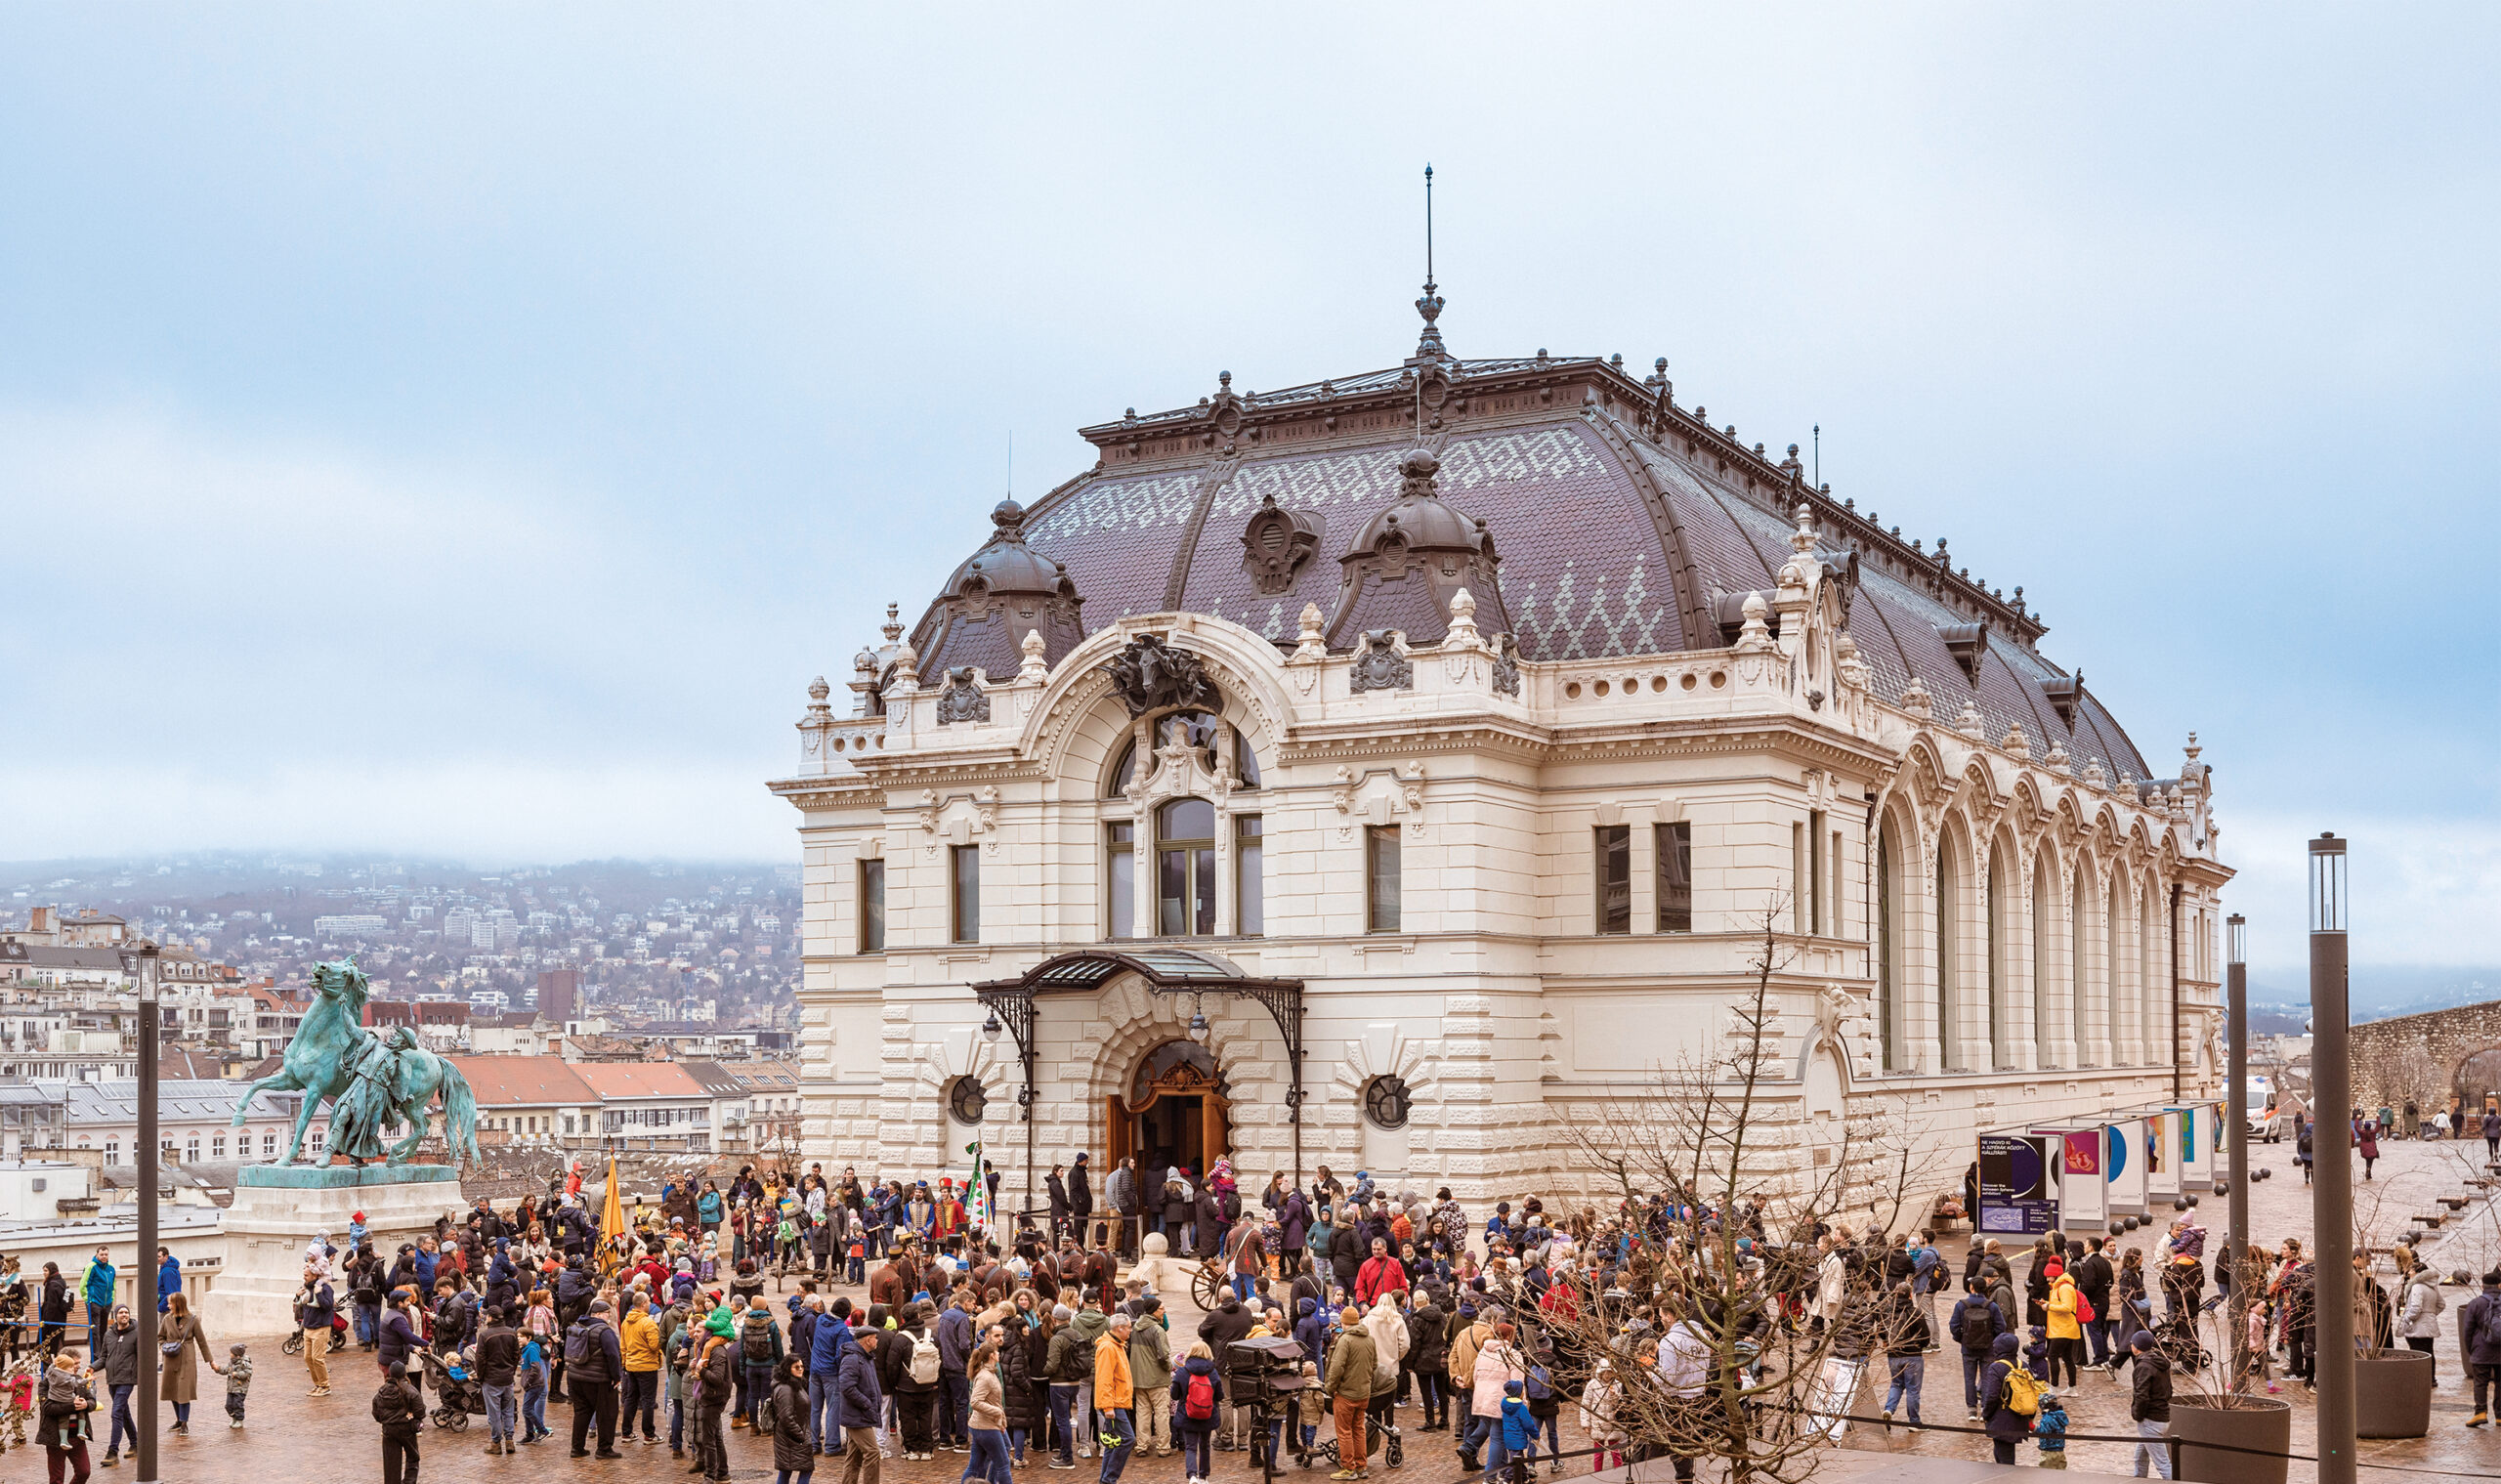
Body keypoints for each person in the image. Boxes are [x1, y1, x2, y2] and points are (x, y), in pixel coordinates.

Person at [566, 1297, 623, 1460]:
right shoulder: (604, 1331)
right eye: (607, 1314)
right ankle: (604, 1449)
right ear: (598, 1314)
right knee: (606, 1414)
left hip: (575, 1376)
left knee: (581, 1413)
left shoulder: (577, 1325)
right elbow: (613, 1355)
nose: (609, 1317)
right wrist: (616, 1377)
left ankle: (577, 1448)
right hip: (599, 1379)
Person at [158, 1293, 214, 1433]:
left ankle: (184, 1423)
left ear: (178, 1304)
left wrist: (210, 1361)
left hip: (187, 1358)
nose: (168, 1305)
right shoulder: (167, 1318)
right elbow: (160, 1336)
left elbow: (202, 1341)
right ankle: (178, 1419)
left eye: (170, 1303)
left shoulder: (192, 1320)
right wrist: (164, 1346)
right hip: (171, 1358)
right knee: (171, 1389)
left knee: (183, 1391)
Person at [1171, 1339, 1222, 1484]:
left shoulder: (1183, 1371)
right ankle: (1203, 1477)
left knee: (1190, 1447)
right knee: (1205, 1446)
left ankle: (1192, 1475)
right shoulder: (1212, 1372)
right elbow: (1220, 1395)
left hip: (1188, 1414)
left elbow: (1174, 1394)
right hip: (1207, 1415)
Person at [1093, 1311, 1136, 1484]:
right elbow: (1104, 1379)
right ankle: (1109, 1479)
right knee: (1127, 1439)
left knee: (1114, 1443)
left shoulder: (1116, 1345)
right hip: (1113, 1403)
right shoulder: (1109, 1347)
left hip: (1115, 1402)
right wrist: (1108, 1406)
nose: (1130, 1331)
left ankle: (1106, 1480)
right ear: (1119, 1328)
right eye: (1128, 1328)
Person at [839, 1327, 884, 1484]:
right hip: (857, 1415)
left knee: (854, 1457)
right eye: (875, 1337)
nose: (877, 1341)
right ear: (867, 1340)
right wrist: (866, 1403)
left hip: (860, 1413)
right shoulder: (853, 1359)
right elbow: (846, 1387)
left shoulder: (866, 1357)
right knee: (872, 1452)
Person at [1977, 1331, 2028, 1467]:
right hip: (2019, 1418)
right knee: (2005, 1455)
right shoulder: (2023, 1365)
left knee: (2004, 1461)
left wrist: (1986, 1414)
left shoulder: (1997, 1367)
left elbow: (1992, 1396)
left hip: (2001, 1419)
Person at [964, 1339, 1012, 1484]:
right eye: (997, 1352)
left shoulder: (987, 1373)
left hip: (984, 1425)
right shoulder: (985, 1376)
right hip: (986, 1426)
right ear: (992, 1355)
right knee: (1003, 1464)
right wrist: (996, 1412)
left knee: (975, 1465)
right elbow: (975, 1401)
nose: (999, 1354)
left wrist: (1000, 1420)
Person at [374, 1359, 426, 1484]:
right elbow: (420, 1411)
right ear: (404, 1373)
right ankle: (409, 1481)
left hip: (389, 1430)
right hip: (407, 1429)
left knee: (391, 1462)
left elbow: (376, 1412)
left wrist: (386, 1421)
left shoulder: (382, 1391)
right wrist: (413, 1419)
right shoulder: (410, 1390)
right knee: (413, 1457)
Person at [2129, 1333, 2173, 1478]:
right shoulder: (2159, 1363)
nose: (2131, 1345)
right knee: (2140, 1458)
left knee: (2163, 1464)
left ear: (2137, 1347)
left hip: (2150, 1421)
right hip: (2161, 1417)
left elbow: (2141, 1394)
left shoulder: (2143, 1366)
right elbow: (2169, 1391)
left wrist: (2137, 1414)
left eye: (2132, 1343)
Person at [2461, 1268, 2501, 1426]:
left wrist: (2471, 1349)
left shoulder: (2476, 1303)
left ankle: (2480, 1412)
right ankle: (2500, 1415)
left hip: (2481, 1350)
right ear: (2498, 1285)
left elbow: (2467, 1330)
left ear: (2483, 1286)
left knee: (2480, 1382)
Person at [774, 1351, 818, 1484]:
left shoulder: (795, 1384)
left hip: (792, 1436)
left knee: (787, 1469)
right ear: (788, 1368)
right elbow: (786, 1417)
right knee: (805, 1469)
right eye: (796, 1367)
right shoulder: (786, 1389)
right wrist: (801, 1436)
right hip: (792, 1437)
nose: (800, 1369)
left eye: (802, 1366)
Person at [296, 1264, 335, 1398]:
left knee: (317, 1358)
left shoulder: (325, 1288)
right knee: (308, 1358)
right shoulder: (305, 1288)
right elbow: (300, 1305)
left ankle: (325, 1386)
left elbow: (328, 1307)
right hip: (308, 1327)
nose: (304, 1278)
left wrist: (319, 1294)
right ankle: (318, 1384)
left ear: (315, 1275)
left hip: (321, 1327)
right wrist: (297, 1296)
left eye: (306, 1275)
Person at [75, 1249, 113, 1368]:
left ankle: (103, 1356)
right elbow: (83, 1284)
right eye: (101, 1254)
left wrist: (111, 1298)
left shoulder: (111, 1268)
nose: (104, 1256)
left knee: (103, 1331)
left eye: (106, 1254)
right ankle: (95, 1357)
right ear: (97, 1254)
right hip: (94, 1302)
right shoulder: (91, 1267)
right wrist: (89, 1300)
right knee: (95, 1331)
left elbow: (113, 1285)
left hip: (106, 1303)